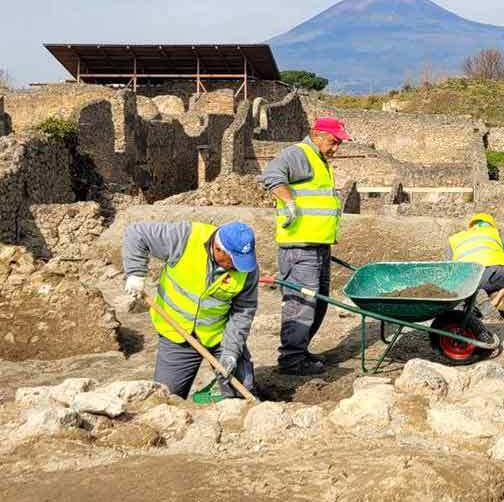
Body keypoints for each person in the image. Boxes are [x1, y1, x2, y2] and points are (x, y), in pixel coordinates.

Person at [122, 219, 259, 399]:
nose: (237, 267)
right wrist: (135, 273)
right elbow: (136, 232)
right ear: (218, 249)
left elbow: (244, 310)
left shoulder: (246, 267)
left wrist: (231, 352)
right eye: (233, 261)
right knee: (167, 398)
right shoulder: (185, 237)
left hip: (219, 335)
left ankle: (219, 389)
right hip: (176, 332)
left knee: (243, 389)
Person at [260, 116, 351, 376]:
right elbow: (272, 175)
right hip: (299, 248)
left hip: (318, 245)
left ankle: (300, 351)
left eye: (339, 144)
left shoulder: (319, 160)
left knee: (318, 302)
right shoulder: (298, 154)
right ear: (317, 134)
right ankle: (291, 360)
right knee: (302, 303)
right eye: (333, 142)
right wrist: (289, 203)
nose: (336, 149)